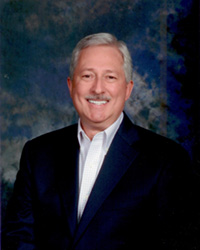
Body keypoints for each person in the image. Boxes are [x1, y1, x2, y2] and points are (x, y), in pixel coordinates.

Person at [2, 33, 196, 250]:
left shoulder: (166, 159)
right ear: (71, 85)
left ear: (128, 89)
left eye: (110, 77)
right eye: (87, 76)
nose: (97, 89)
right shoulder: (37, 154)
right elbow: (19, 239)